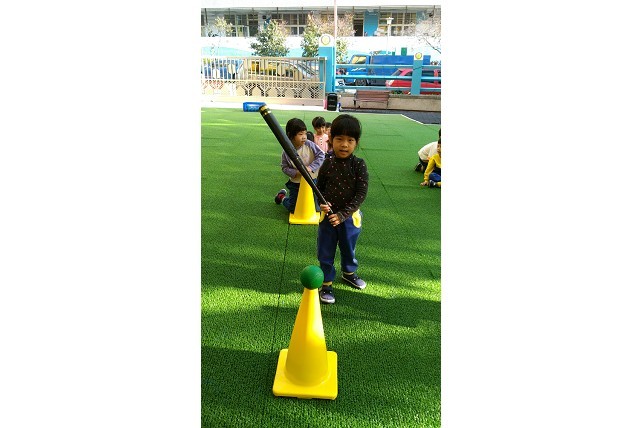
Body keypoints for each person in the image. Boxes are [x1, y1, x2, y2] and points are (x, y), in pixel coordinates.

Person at [316, 114, 369, 304]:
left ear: (356, 142)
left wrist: (343, 214)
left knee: (348, 249)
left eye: (350, 140)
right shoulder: (327, 163)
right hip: (328, 219)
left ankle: (349, 273)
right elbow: (319, 189)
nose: (344, 145)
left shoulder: (359, 165)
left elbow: (360, 194)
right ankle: (326, 283)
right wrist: (321, 203)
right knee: (325, 251)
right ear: (331, 139)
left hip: (349, 219)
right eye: (339, 139)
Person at [274, 118, 325, 213]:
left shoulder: (309, 144)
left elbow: (321, 155)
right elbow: (284, 167)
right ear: (290, 135)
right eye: (300, 134)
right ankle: (282, 197)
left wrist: (310, 167)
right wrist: (296, 172)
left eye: (305, 133)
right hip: (296, 183)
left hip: (313, 180)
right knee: (293, 208)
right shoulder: (286, 151)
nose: (304, 137)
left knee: (316, 207)